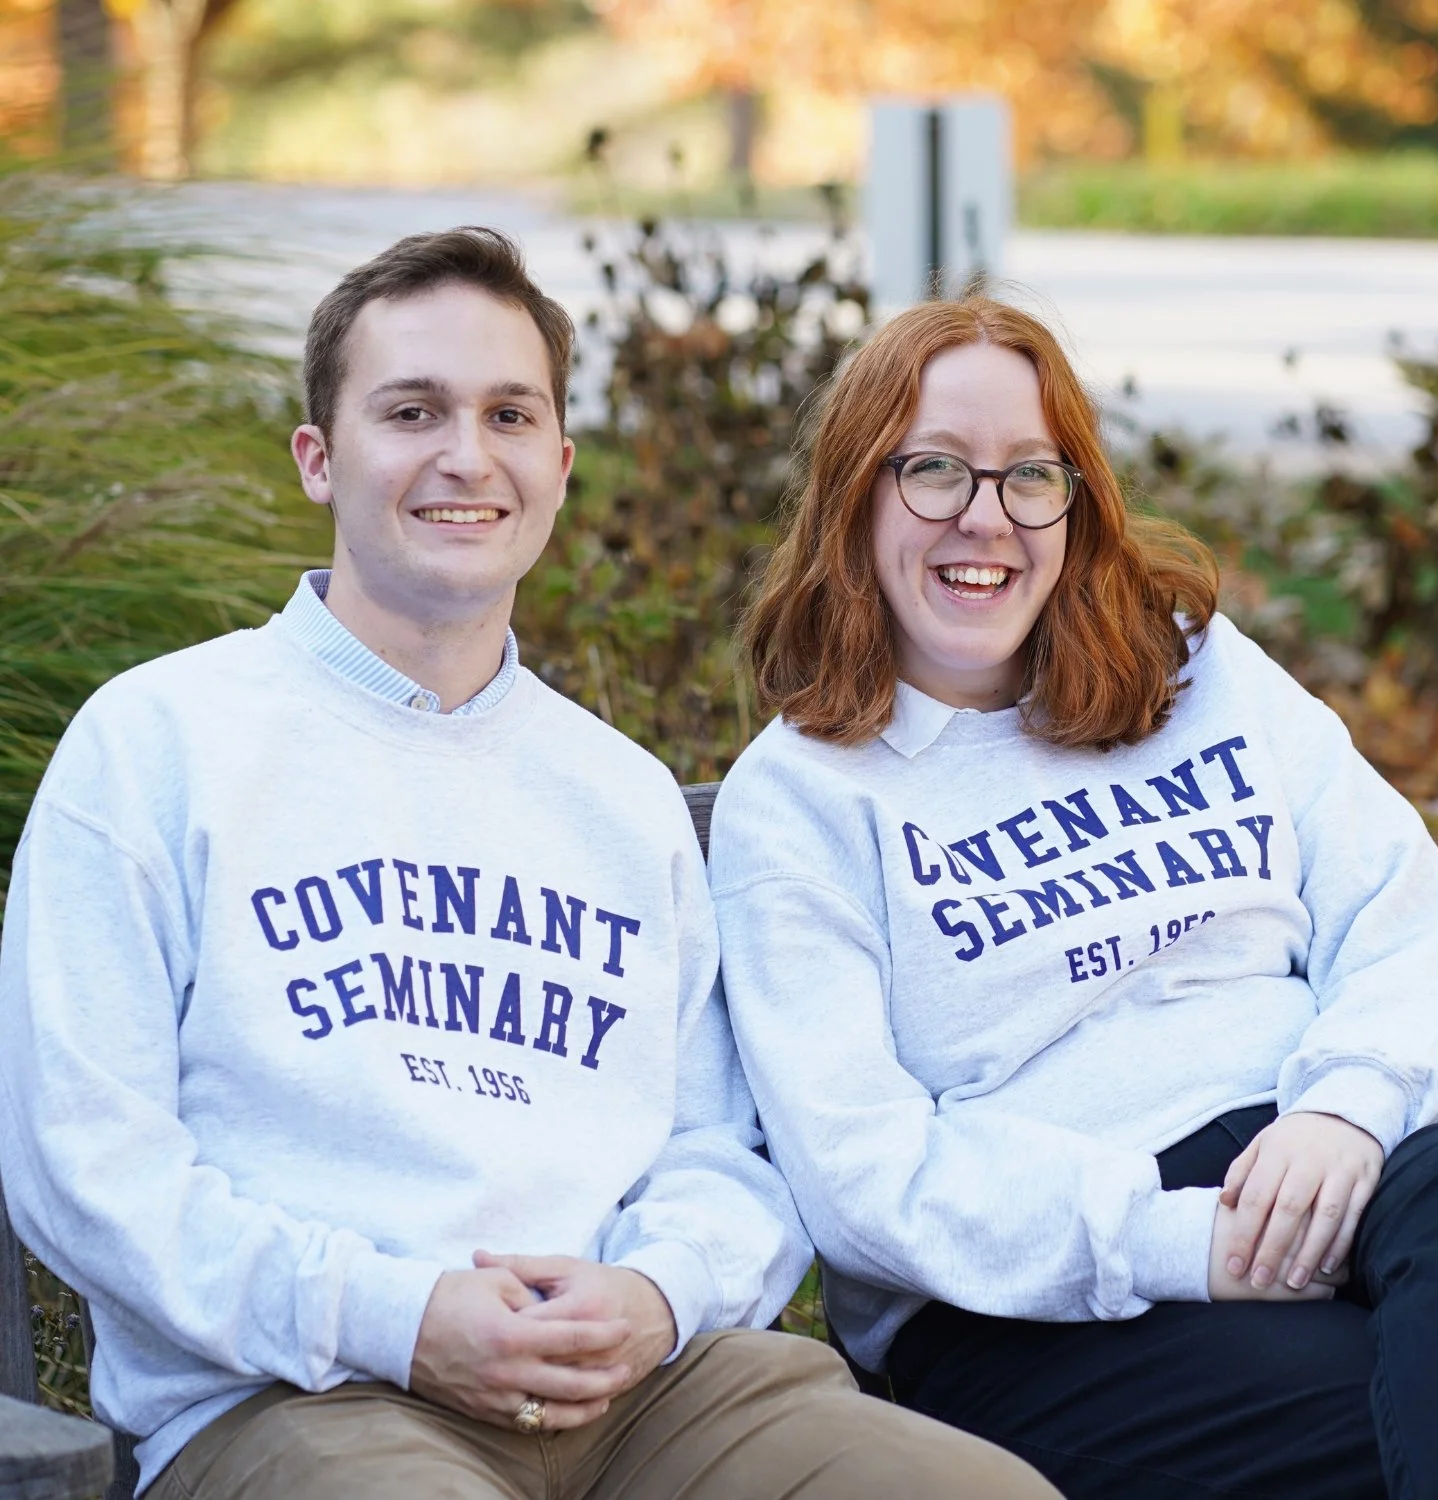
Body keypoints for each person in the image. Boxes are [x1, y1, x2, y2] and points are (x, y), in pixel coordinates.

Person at [0, 236, 1058, 1500]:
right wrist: (399, 1315)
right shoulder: (160, 744)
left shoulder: (618, 796)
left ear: (558, 466)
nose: (467, 454)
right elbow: (88, 1166)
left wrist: (658, 1296)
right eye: (412, 411)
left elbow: (722, 1151)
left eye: (511, 413)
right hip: (307, 1399)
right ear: (317, 460)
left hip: (653, 1401)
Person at [708, 295, 1438, 1499]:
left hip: (1318, 1150)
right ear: (855, 495)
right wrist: (1187, 1241)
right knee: (1379, 1410)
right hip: (1031, 1285)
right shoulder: (804, 800)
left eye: (1033, 475)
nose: (989, 517)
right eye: (935, 472)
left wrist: (1348, 1108)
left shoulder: (1192, 667)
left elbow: (1395, 903)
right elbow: (863, 1177)